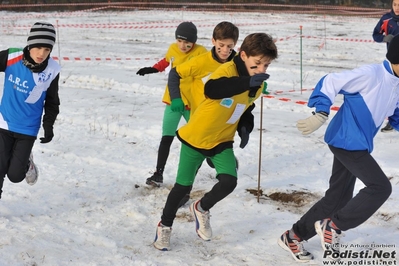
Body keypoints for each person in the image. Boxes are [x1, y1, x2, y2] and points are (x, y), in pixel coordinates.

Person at [278, 35, 399, 263]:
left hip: (356, 143)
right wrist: (321, 112)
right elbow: (330, 81)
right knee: (380, 187)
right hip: (347, 141)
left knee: (337, 198)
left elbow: (396, 114)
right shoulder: (371, 75)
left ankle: (293, 236)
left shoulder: (396, 84)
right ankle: (333, 226)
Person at [152, 32, 278, 251]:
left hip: (222, 140)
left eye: (266, 66)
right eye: (257, 64)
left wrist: (245, 126)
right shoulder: (227, 70)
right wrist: (248, 81)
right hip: (196, 137)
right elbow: (213, 89)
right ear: (244, 55)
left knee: (229, 181)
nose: (262, 70)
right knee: (182, 188)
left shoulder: (256, 82)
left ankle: (201, 208)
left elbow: (246, 106)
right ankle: (165, 226)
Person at [158, 21, 240, 207]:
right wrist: (176, 97)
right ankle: (184, 192)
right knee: (196, 150)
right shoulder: (202, 61)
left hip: (225, 117)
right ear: (213, 41)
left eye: (230, 46)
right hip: (202, 113)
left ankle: (223, 162)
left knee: (213, 157)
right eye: (221, 46)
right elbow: (175, 74)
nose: (225, 50)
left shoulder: (238, 63)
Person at [136, 22, 207, 189]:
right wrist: (153, 69)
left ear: (194, 41)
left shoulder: (201, 53)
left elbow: (214, 67)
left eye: (187, 42)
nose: (183, 45)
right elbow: (167, 61)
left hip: (192, 101)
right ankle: (158, 173)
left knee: (200, 137)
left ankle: (216, 160)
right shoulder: (173, 49)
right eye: (179, 41)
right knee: (166, 136)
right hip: (173, 99)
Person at [0, 22, 61, 199]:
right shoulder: (12, 56)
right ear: (30, 44)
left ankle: (27, 163)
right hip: (4, 121)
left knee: (15, 176)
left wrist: (48, 126)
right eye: (38, 47)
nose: (42, 54)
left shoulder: (52, 70)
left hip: (27, 128)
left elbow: (52, 102)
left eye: (47, 50)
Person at [372, 0, 399, 132]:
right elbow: (375, 34)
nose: (397, 7)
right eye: (395, 4)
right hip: (393, 63)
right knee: (394, 93)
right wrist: (384, 38)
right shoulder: (386, 19)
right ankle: (393, 121)